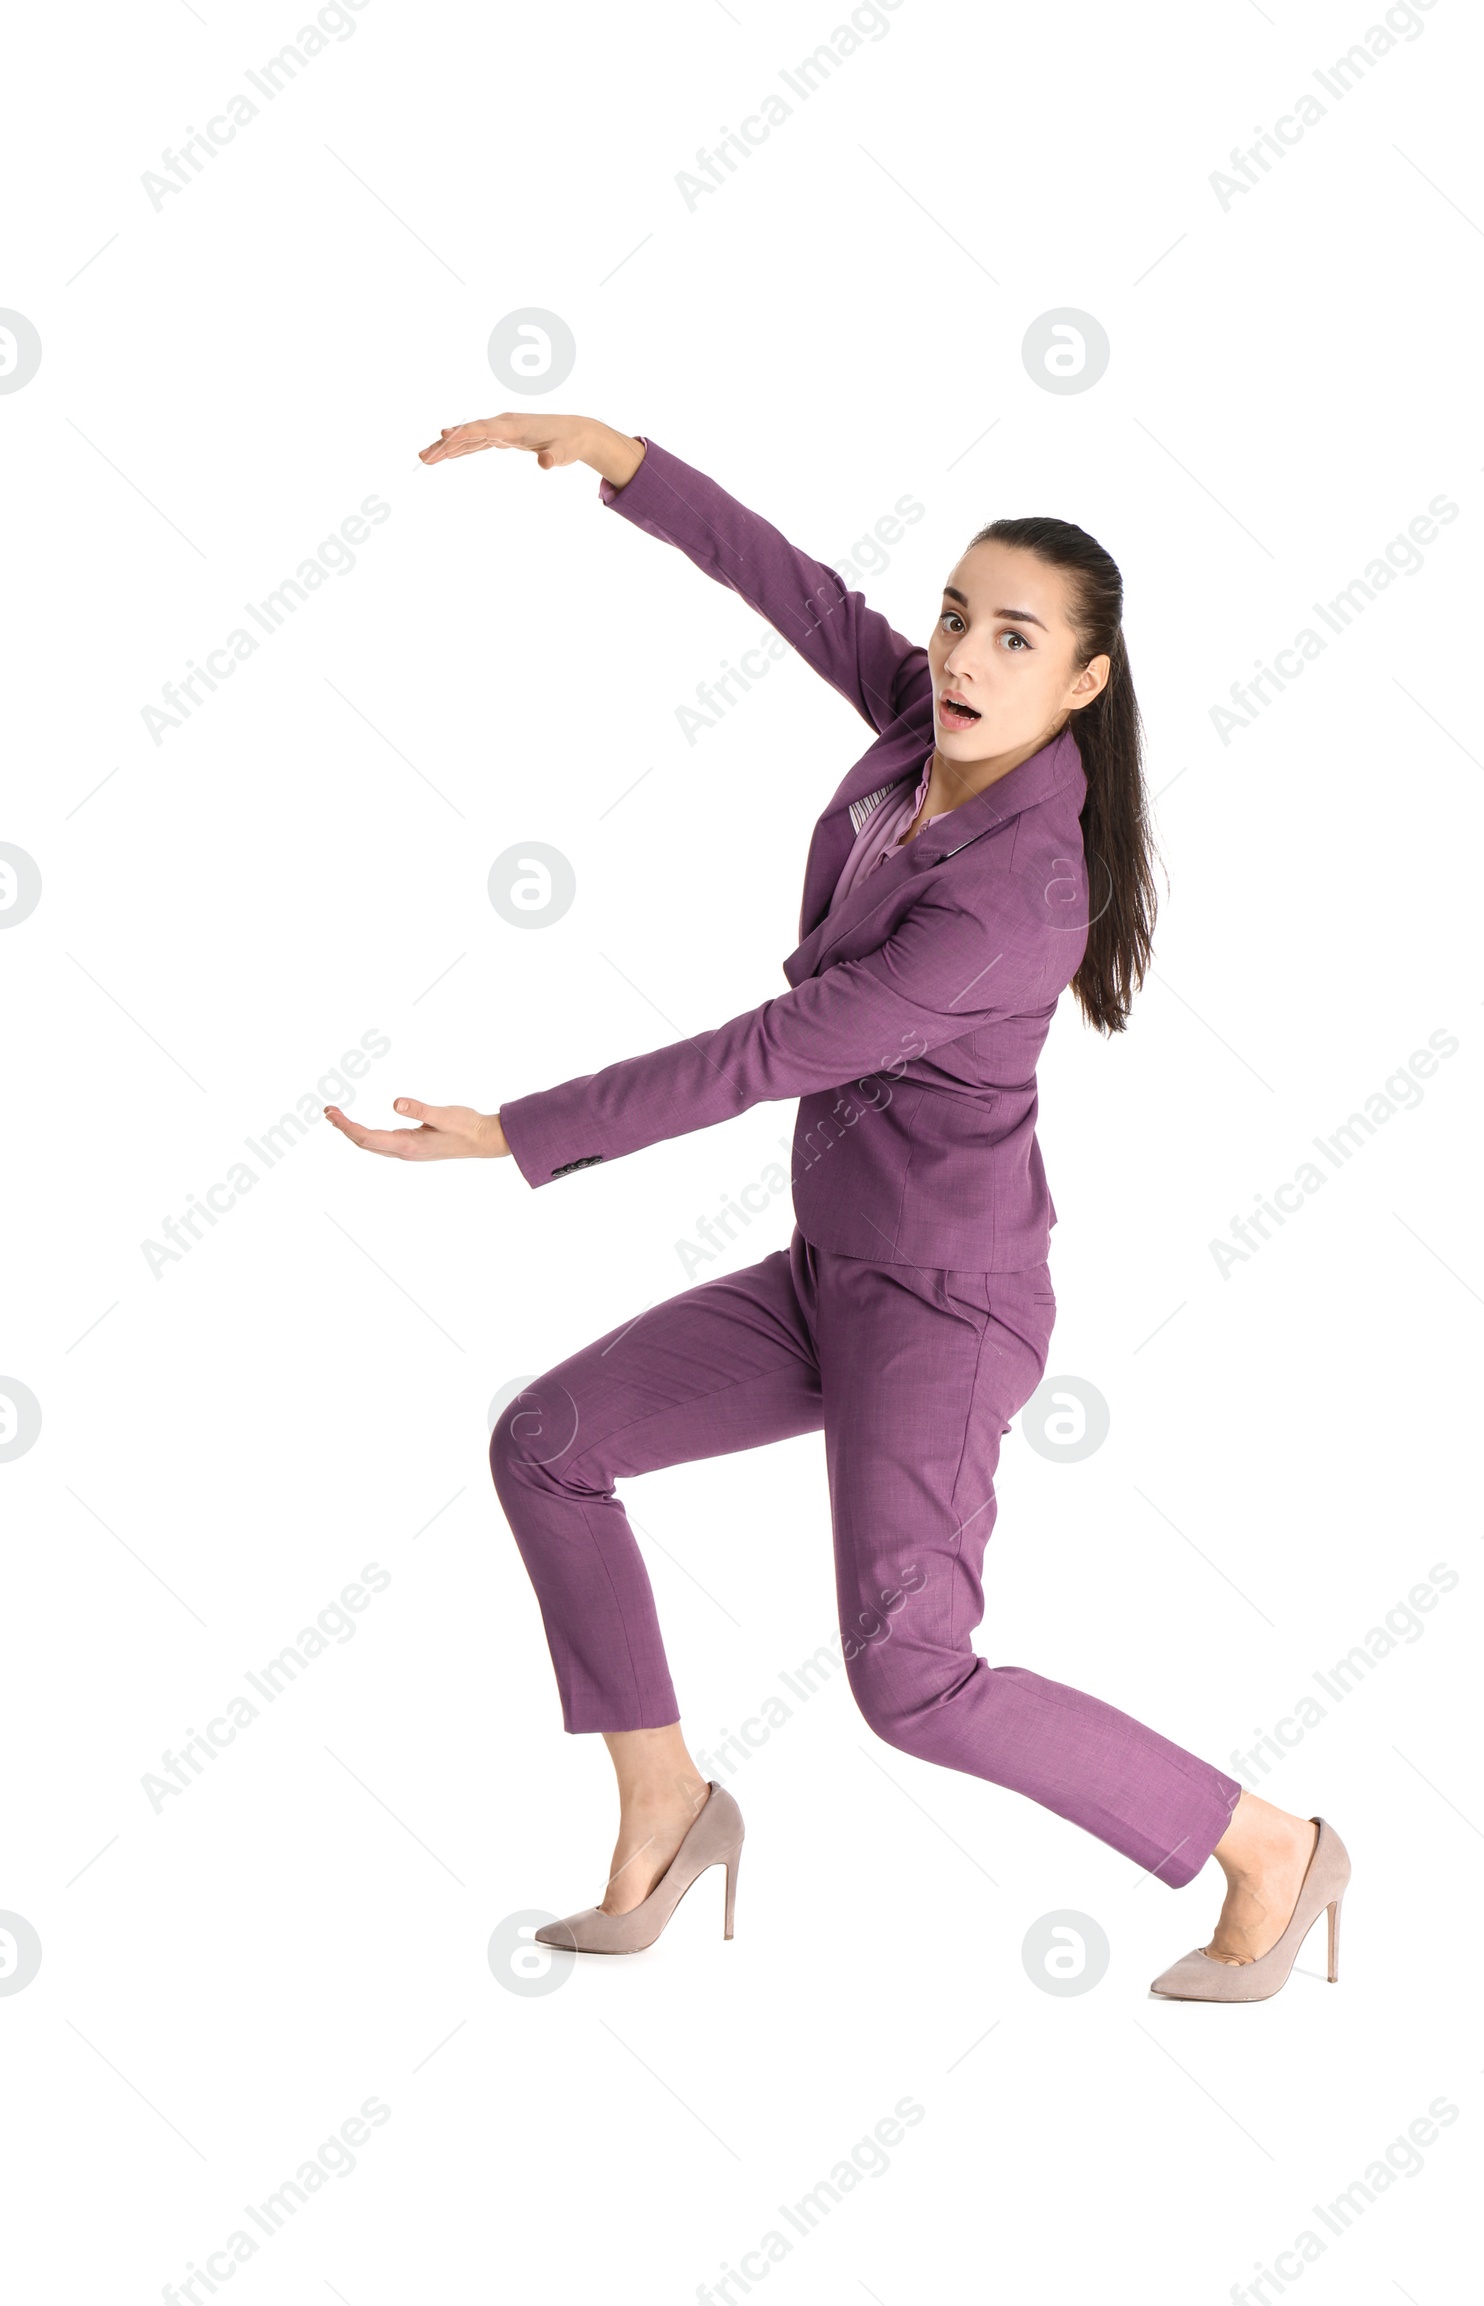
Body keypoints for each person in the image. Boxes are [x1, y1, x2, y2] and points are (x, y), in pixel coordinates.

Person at [326, 412, 1350, 2001]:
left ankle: (1265, 1842)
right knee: (549, 1444)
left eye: (1015, 637)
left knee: (913, 1680)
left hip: (943, 1306)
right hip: (834, 1273)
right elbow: (796, 591)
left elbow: (766, 1055)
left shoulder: (1012, 897)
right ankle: (667, 1805)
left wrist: (513, 1133)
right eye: (955, 614)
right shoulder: (925, 736)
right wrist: (621, 459)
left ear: (1084, 680)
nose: (962, 653)